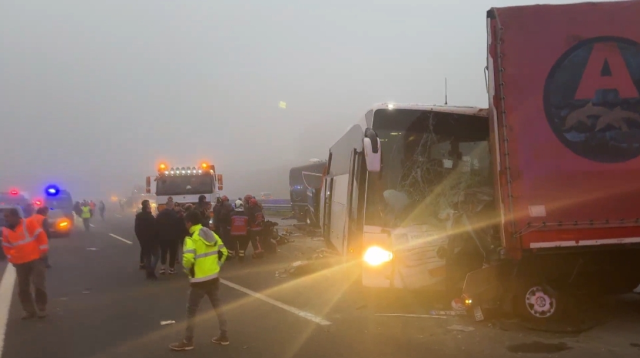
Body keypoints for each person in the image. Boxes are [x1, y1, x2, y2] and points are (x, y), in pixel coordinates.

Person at [170, 210, 229, 351]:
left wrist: (188, 271)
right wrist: (216, 267)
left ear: (189, 223)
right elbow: (224, 252)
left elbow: (188, 259)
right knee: (218, 307)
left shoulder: (191, 238)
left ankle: (188, 340)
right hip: (213, 278)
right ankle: (224, 336)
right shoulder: (211, 234)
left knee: (192, 311)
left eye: (186, 222)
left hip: (198, 282)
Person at [2, 208, 49, 319]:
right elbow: (6, 247)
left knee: (38, 283)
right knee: (23, 288)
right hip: (20, 262)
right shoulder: (6, 230)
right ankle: (29, 311)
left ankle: (41, 307)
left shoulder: (29, 223)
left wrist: (43, 251)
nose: (6, 219)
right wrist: (11, 259)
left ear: (16, 216)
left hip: (35, 258)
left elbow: (41, 236)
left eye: (8, 216)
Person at [156, 200, 182, 275]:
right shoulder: (174, 214)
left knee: (163, 252)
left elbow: (156, 225)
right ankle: (171, 268)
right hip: (173, 237)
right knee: (172, 253)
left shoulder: (160, 214)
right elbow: (178, 226)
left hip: (162, 237)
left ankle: (162, 268)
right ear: (171, 205)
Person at [135, 200, 159, 279]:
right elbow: (155, 229)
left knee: (147, 257)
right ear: (147, 209)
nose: (151, 208)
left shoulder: (138, 217)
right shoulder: (150, 217)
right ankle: (151, 271)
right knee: (156, 256)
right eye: (149, 207)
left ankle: (148, 273)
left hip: (143, 241)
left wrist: (140, 239)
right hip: (152, 240)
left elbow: (136, 229)